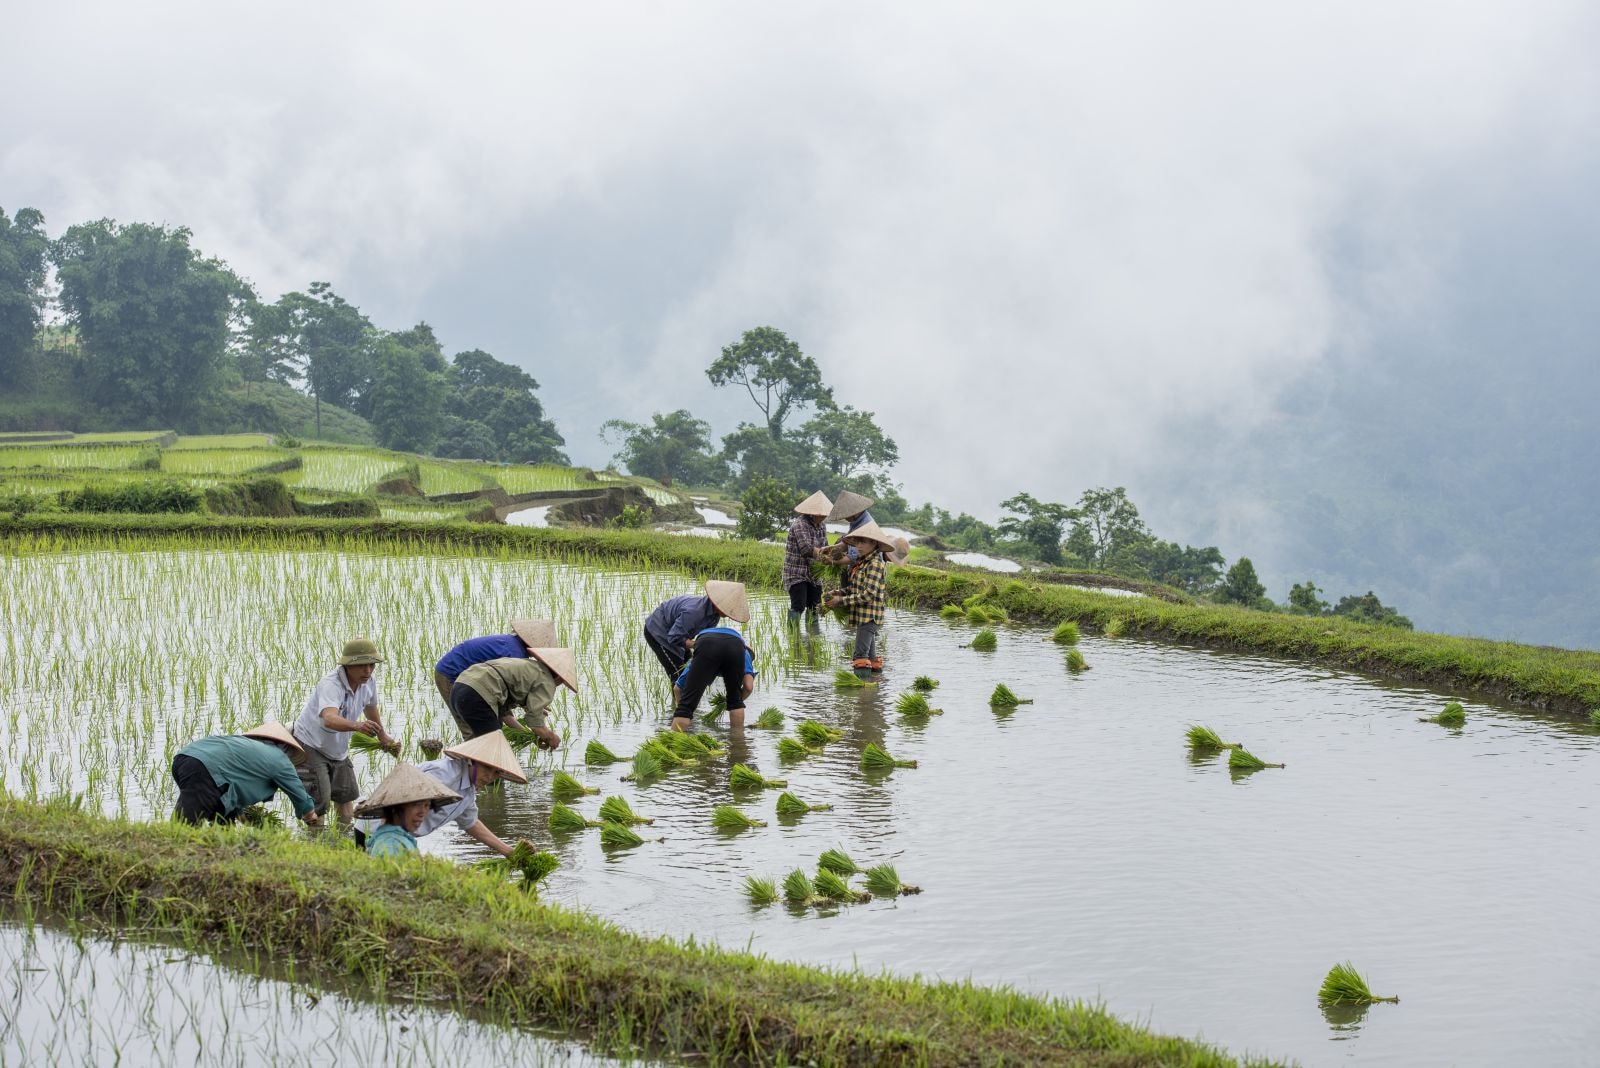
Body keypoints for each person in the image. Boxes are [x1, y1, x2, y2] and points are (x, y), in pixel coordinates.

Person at [291, 637, 396, 823]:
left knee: (346, 798)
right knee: (319, 806)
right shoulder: (331, 684)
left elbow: (370, 707)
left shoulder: (369, 681)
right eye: (363, 665)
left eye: (372, 665)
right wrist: (357, 726)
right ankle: (315, 845)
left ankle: (345, 842)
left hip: (338, 749)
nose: (368, 670)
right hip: (310, 745)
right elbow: (329, 719)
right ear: (348, 665)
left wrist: (382, 735)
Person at [407, 730, 535, 857]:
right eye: (486, 767)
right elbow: (400, 802)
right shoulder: (445, 775)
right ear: (471, 760)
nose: (489, 776)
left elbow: (471, 823)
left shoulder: (467, 791)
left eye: (497, 772)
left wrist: (509, 852)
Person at [170, 721, 322, 827]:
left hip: (183, 759)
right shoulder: (280, 759)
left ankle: (223, 856)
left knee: (223, 822)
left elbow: (235, 784)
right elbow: (299, 795)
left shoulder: (246, 747)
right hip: (206, 770)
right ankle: (171, 856)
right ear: (287, 748)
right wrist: (310, 815)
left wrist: (241, 814)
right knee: (185, 826)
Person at [433, 619, 557, 733]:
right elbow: (504, 693)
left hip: (470, 677)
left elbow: (502, 691)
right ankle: (470, 755)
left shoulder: (510, 643)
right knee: (473, 729)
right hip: (451, 673)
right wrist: (531, 708)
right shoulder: (515, 654)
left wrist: (529, 705)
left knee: (490, 723)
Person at [450, 646, 577, 746]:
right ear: (560, 677)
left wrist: (530, 737)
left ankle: (469, 776)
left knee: (481, 745)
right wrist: (551, 737)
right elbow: (536, 723)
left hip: (460, 687)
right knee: (494, 749)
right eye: (563, 682)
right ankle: (492, 779)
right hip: (478, 695)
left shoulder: (527, 666)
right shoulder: (546, 681)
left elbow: (506, 716)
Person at [643, 580, 749, 688]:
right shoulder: (694, 613)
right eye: (729, 609)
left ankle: (684, 699)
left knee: (689, 669)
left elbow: (705, 637)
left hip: (677, 632)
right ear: (718, 604)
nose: (729, 613)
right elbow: (673, 638)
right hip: (659, 632)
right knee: (679, 676)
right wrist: (698, 645)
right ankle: (680, 703)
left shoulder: (714, 616)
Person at [825, 520, 896, 678]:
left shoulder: (876, 564)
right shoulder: (862, 563)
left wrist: (840, 601)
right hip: (863, 616)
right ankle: (874, 689)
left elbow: (868, 594)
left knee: (859, 656)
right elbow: (855, 589)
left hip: (869, 616)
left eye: (863, 542)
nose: (859, 546)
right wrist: (839, 592)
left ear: (874, 543)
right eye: (857, 542)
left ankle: (861, 693)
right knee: (870, 657)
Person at [355, 762, 462, 857]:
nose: (423, 813)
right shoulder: (391, 845)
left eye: (427, 805)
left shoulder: (398, 839)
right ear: (394, 808)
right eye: (417, 805)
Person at [670, 625, 756, 731]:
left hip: (706, 642)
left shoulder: (700, 656)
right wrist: (731, 702)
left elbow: (677, 688)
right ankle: (738, 743)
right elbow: (748, 687)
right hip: (735, 644)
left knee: (685, 708)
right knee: (735, 701)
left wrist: (684, 710)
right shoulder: (744, 654)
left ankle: (674, 741)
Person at [783, 491, 832, 627]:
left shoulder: (822, 526)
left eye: (824, 514)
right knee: (798, 606)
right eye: (820, 514)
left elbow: (825, 545)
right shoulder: (800, 524)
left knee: (815, 606)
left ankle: (813, 638)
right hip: (797, 572)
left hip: (814, 574)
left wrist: (833, 556)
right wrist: (824, 556)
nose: (823, 517)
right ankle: (793, 638)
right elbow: (805, 548)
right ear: (812, 512)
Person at [819, 490, 876, 564]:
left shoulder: (865, 525)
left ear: (853, 513)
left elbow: (854, 557)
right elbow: (849, 544)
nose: (845, 518)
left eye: (846, 515)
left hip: (866, 566)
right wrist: (830, 548)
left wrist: (832, 562)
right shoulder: (855, 522)